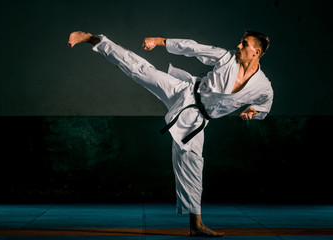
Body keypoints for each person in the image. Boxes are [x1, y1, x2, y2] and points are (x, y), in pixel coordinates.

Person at [68, 30, 273, 237]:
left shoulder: (262, 85)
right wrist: (158, 41)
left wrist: (253, 111)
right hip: (183, 91)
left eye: (244, 44)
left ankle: (196, 225)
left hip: (197, 119)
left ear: (256, 52)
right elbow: (192, 47)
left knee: (192, 164)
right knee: (139, 69)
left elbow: (266, 101)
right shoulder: (226, 57)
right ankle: (93, 39)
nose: (238, 46)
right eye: (240, 42)